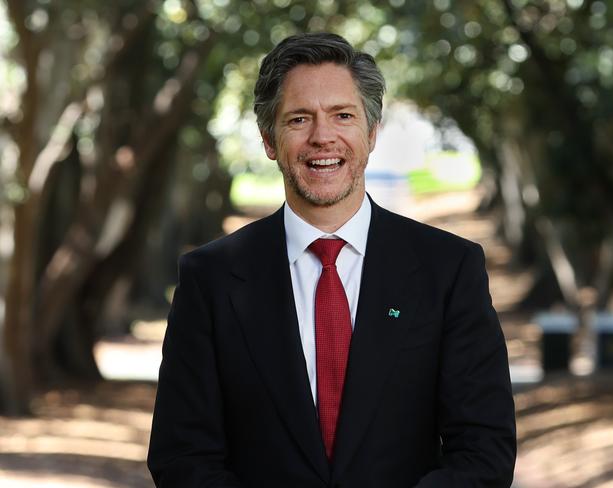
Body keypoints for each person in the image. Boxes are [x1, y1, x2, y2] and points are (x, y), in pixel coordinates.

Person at [147, 32, 516, 488]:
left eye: (343, 115)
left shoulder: (449, 270)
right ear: (268, 139)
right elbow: (182, 457)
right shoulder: (210, 279)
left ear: (371, 132)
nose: (323, 137)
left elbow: (484, 451)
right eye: (299, 119)